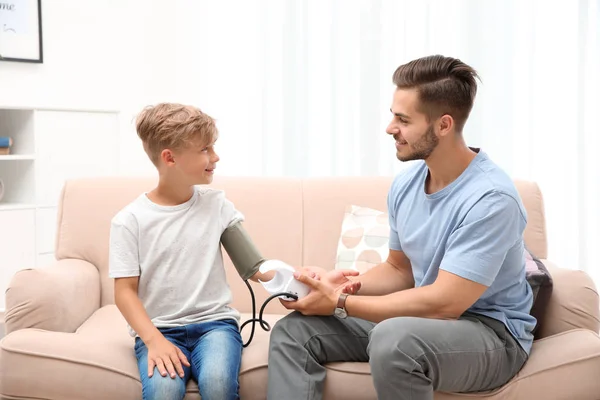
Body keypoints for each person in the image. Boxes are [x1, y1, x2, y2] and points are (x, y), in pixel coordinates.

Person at [266, 55, 537, 400]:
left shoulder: (491, 198)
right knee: (295, 332)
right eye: (392, 115)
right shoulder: (407, 184)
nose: (390, 127)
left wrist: (339, 303)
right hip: (423, 322)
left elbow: (445, 304)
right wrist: (346, 285)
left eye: (403, 119)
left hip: (490, 334)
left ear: (443, 125)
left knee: (394, 340)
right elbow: (400, 269)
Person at [108, 103, 274, 400]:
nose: (215, 157)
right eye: (205, 149)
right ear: (169, 158)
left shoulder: (216, 205)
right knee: (163, 392)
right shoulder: (129, 220)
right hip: (160, 330)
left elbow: (256, 267)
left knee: (218, 383)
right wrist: (153, 340)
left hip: (216, 326)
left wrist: (297, 277)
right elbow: (124, 292)